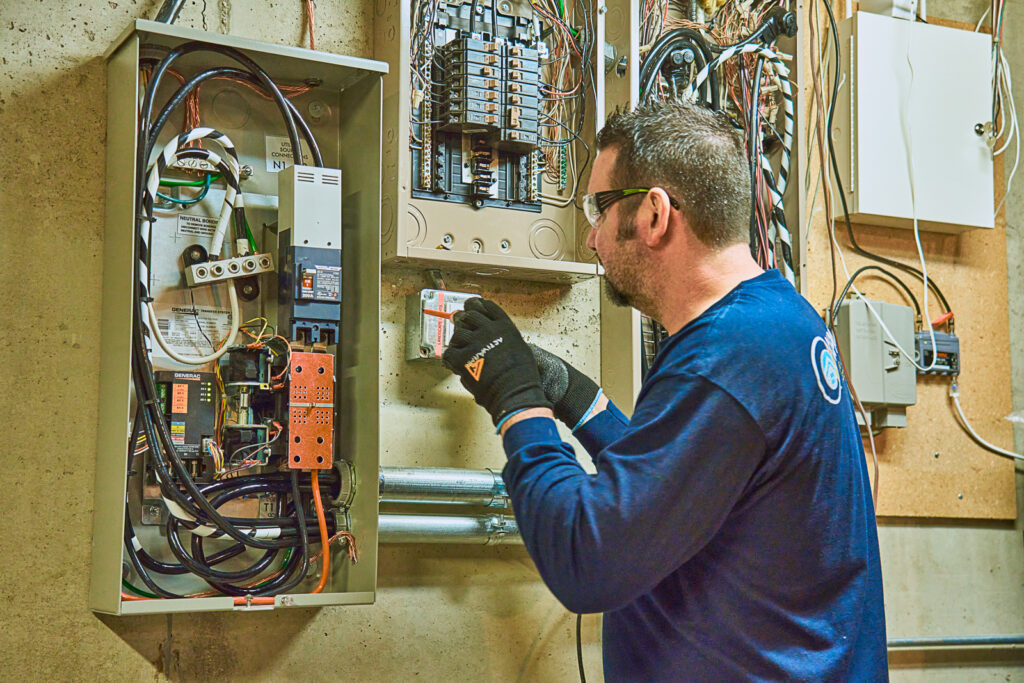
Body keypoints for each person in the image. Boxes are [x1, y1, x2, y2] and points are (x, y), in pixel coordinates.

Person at [441, 100, 887, 681]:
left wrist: (516, 402)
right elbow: (678, 485)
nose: (591, 235)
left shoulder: (728, 356)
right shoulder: (777, 323)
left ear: (654, 214)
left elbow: (586, 558)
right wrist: (570, 394)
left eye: (598, 208)